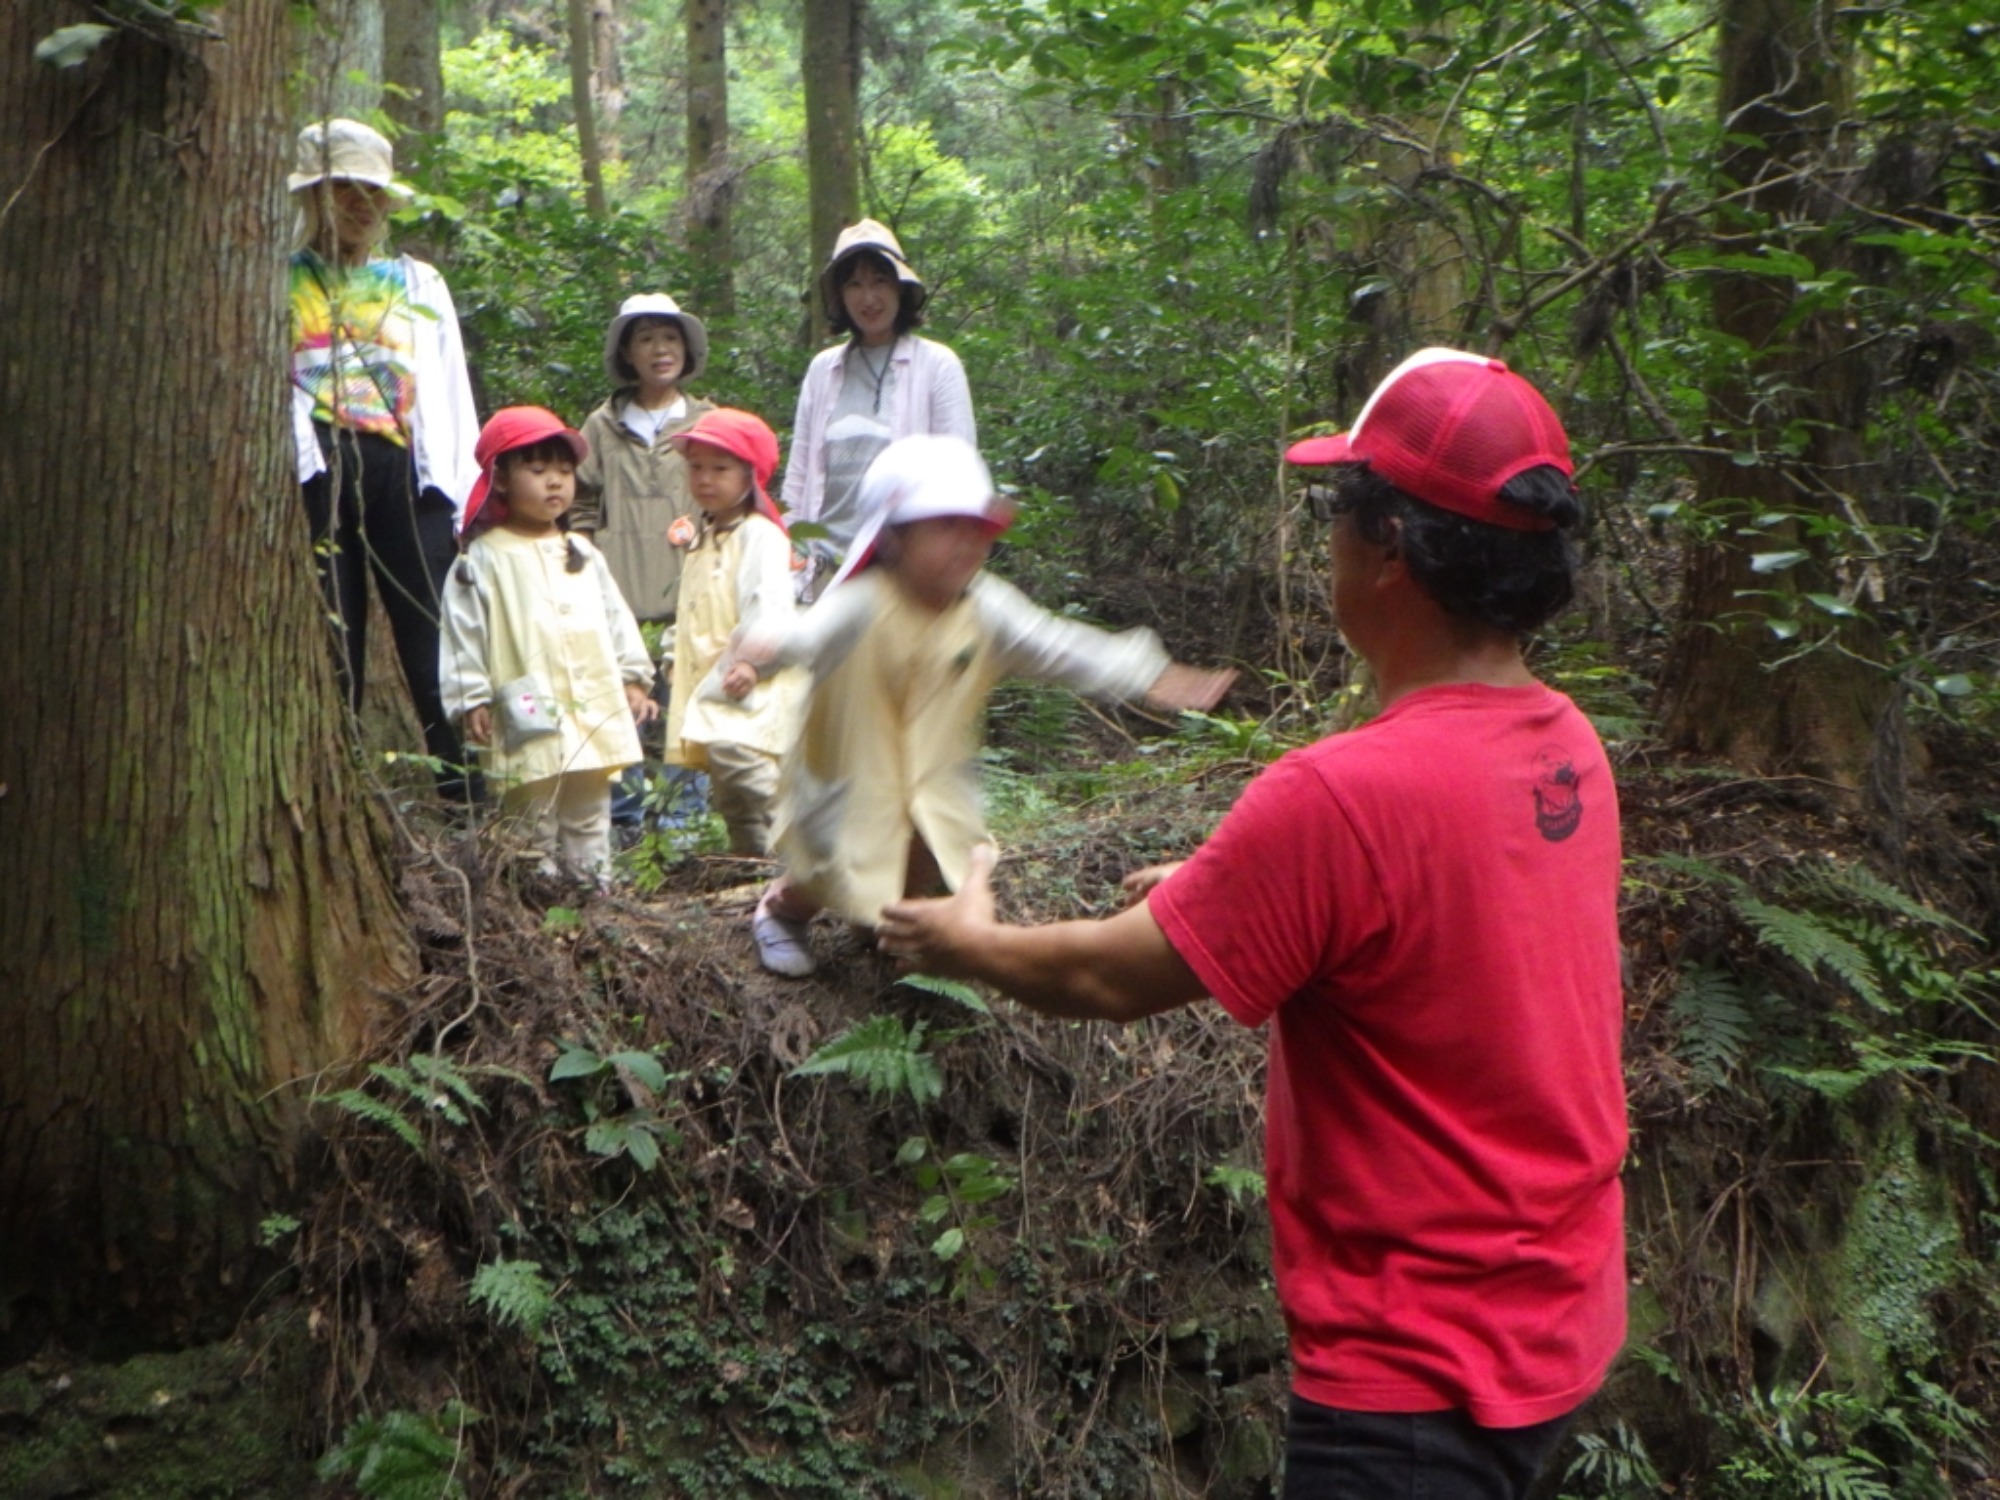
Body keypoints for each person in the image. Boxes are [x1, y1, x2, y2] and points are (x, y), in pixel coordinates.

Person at [876, 350, 1626, 1500]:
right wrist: (1250, 893)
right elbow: (1454, 916)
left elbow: (1108, 981)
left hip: (1409, 1377)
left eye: (1336, 512)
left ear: (1384, 552)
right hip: (1561, 1320)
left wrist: (966, 940)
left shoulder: (1339, 797)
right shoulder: (1564, 743)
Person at [739, 434, 1234, 978]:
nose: (966, 544)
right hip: (851, 770)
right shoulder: (862, 604)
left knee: (928, 850)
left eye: (976, 530)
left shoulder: (987, 608)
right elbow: (803, 634)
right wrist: (758, 651)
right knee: (828, 861)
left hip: (932, 773)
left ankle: (890, 930)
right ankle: (781, 912)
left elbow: (1056, 644)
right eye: (945, 527)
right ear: (896, 537)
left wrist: (1147, 672)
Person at [287, 118, 482, 801]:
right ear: (314, 195)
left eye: (373, 191)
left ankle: (468, 808)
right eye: (344, 189)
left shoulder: (416, 282)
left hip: (408, 473)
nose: (362, 206)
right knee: (335, 646)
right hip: (318, 471)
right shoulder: (282, 279)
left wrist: (463, 493)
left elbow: (451, 389)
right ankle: (340, 803)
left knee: (433, 642)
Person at [439, 407, 657, 879]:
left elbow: (617, 618)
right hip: (524, 707)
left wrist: (633, 677)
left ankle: (593, 895)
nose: (554, 483)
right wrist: (470, 694)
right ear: (500, 479)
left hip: (590, 706)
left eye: (563, 471)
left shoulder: (582, 551)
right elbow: (463, 629)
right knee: (528, 816)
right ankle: (535, 901)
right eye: (537, 471)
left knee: (589, 812)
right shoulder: (483, 558)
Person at [570, 293, 718, 834]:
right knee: (619, 709)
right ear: (627, 352)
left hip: (692, 595)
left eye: (671, 337)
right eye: (647, 338)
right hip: (619, 596)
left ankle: (683, 825)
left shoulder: (707, 421)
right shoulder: (602, 425)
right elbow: (580, 499)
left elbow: (728, 497)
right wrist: (587, 558)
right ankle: (626, 823)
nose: (661, 350)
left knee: (685, 711)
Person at [781, 219, 977, 595]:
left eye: (879, 281)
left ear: (900, 288)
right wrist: (792, 561)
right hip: (825, 573)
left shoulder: (937, 365)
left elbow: (959, 475)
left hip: (905, 576)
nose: (868, 297)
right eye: (854, 284)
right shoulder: (823, 370)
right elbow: (800, 474)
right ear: (840, 296)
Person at [658, 408, 802, 858]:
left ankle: (801, 852)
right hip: (711, 680)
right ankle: (753, 866)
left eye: (720, 468)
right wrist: (671, 655)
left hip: (748, 679)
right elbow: (691, 606)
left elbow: (770, 604)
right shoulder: (704, 538)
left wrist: (752, 661)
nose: (704, 478)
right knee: (728, 786)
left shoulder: (759, 536)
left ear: (750, 476)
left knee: (748, 767)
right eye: (696, 467)